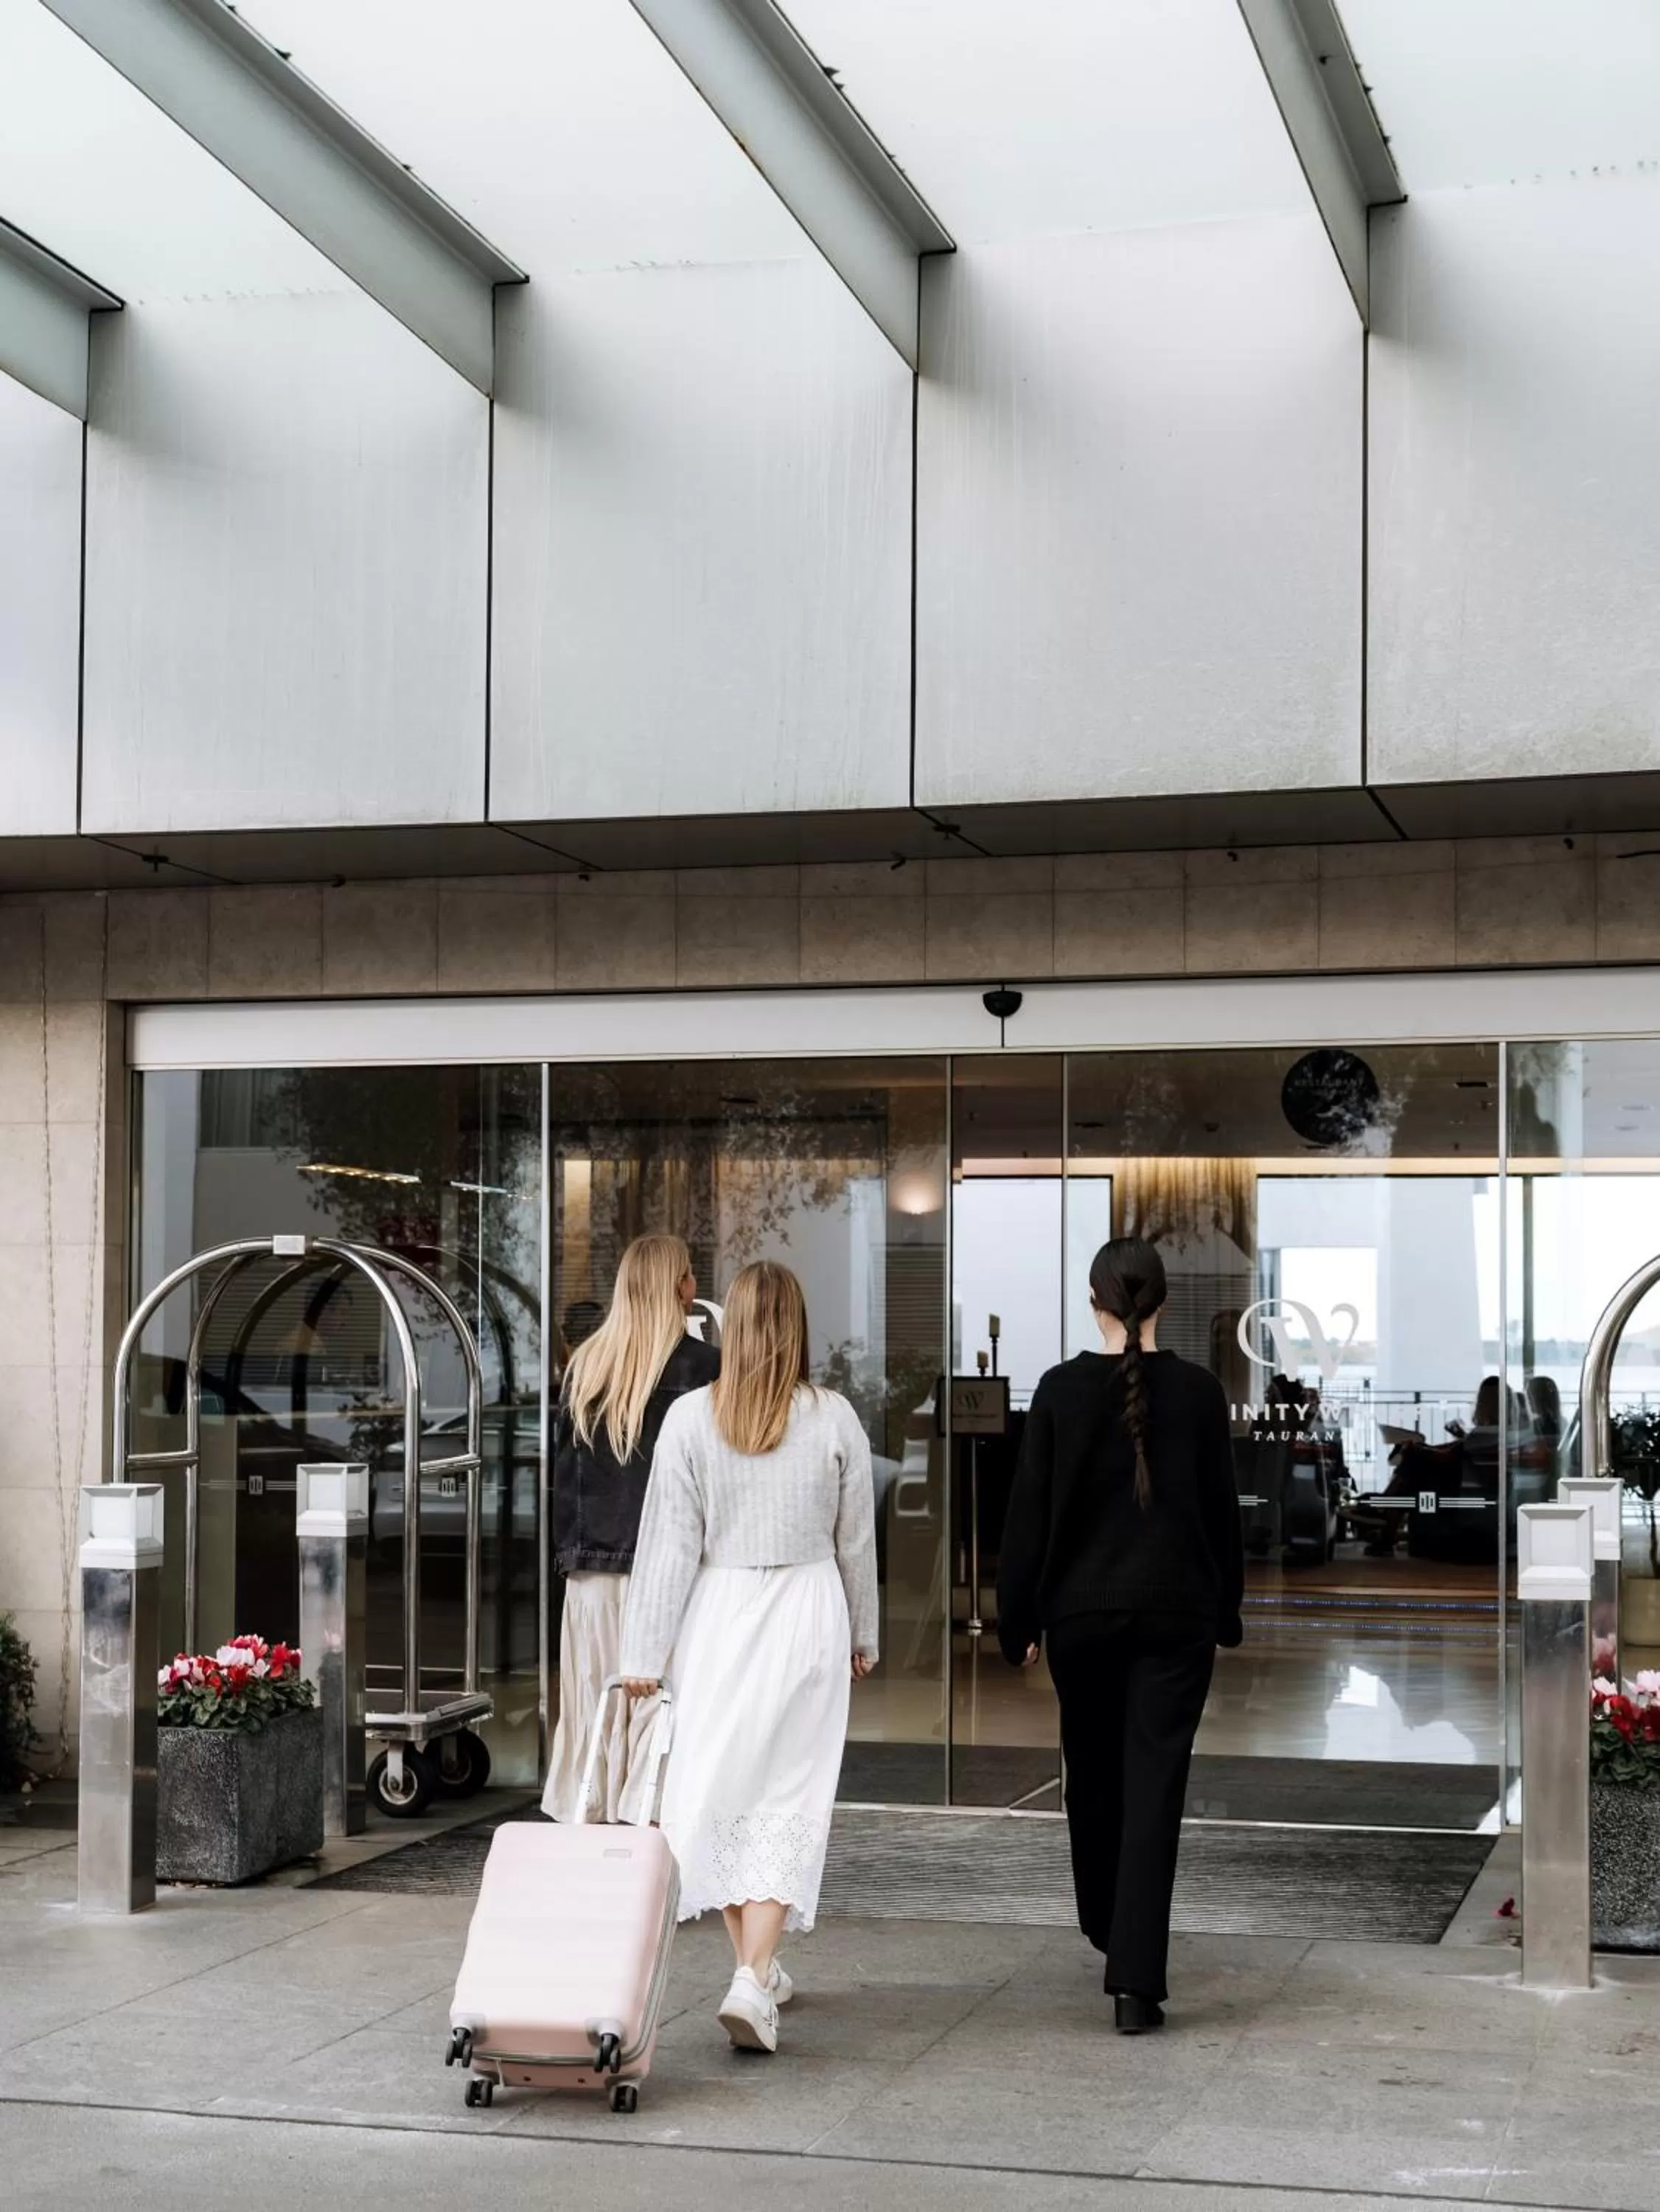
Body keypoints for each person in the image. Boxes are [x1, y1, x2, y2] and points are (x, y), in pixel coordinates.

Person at [618, 1259, 877, 2056]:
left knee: (720, 1792)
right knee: (788, 1796)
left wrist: (643, 1652)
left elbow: (667, 1545)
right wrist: (864, 1633)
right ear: (796, 1327)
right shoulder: (833, 1418)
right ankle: (752, 1975)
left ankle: (755, 1970)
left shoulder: (690, 1419)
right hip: (807, 1612)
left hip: (718, 1616)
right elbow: (856, 1541)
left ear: (730, 1327)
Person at [996, 1236, 1244, 2035]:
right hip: (1178, 1617)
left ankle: (1109, 1926)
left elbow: (1027, 1517)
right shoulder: (1200, 1394)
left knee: (1094, 1780)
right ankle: (1133, 1979)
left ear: (1094, 1303)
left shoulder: (1059, 1392)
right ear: (1162, 1302)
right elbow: (1221, 1513)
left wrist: (1016, 1619)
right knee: (1154, 1789)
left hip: (1082, 1619)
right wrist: (1227, 1610)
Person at [541, 1235, 717, 1823]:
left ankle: (591, 1836)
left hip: (591, 1573)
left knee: (594, 1709)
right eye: (690, 1274)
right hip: (671, 1575)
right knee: (663, 1710)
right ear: (682, 1288)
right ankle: (647, 1840)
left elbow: (563, 1474)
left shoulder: (586, 1364)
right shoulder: (706, 1369)